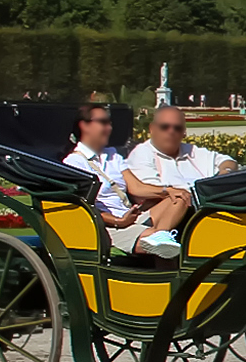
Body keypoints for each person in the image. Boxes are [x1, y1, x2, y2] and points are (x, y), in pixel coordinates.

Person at [65, 104, 184, 258]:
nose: (109, 128)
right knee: (165, 248)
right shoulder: (74, 163)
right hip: (108, 226)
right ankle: (158, 241)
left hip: (130, 215)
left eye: (110, 123)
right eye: (103, 122)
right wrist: (118, 221)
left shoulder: (113, 155)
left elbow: (135, 187)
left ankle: (158, 236)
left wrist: (168, 190)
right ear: (84, 126)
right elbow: (82, 208)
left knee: (180, 197)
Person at [125, 105, 237, 208]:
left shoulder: (191, 151)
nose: (171, 132)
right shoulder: (142, 153)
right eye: (165, 127)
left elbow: (228, 161)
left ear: (184, 132)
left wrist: (225, 172)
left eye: (177, 128)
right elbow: (154, 192)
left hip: (209, 207)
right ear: (152, 129)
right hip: (173, 213)